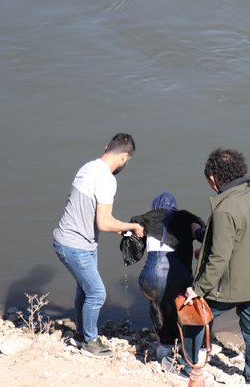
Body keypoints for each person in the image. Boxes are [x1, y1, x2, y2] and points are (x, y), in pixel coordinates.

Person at [184, 148, 250, 387]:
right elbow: (249, 238)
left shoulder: (225, 209)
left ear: (214, 178)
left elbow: (219, 257)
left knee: (196, 319)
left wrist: (198, 289)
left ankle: (191, 367)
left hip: (228, 287)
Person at [53, 133, 144, 358]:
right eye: (128, 161)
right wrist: (133, 226)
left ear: (107, 147)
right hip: (75, 244)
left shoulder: (88, 167)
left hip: (73, 240)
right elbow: (104, 223)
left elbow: (90, 214)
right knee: (97, 293)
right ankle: (90, 342)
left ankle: (83, 334)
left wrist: (120, 229)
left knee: (84, 290)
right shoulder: (107, 179)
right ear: (124, 157)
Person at [131, 192, 205, 361]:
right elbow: (201, 234)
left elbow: (130, 240)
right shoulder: (186, 217)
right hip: (178, 273)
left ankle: (165, 347)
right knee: (184, 305)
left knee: (157, 306)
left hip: (151, 275)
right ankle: (194, 348)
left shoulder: (147, 218)